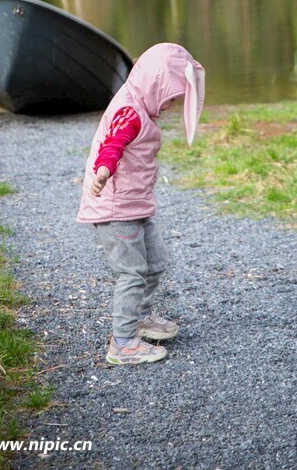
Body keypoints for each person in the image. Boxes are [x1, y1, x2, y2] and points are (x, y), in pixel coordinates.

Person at [77, 42, 205, 366]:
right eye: (173, 98)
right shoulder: (130, 112)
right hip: (115, 208)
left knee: (156, 261)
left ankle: (141, 317)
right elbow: (113, 143)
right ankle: (122, 342)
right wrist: (103, 170)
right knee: (132, 272)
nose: (173, 105)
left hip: (134, 205)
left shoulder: (142, 105)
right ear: (158, 85)